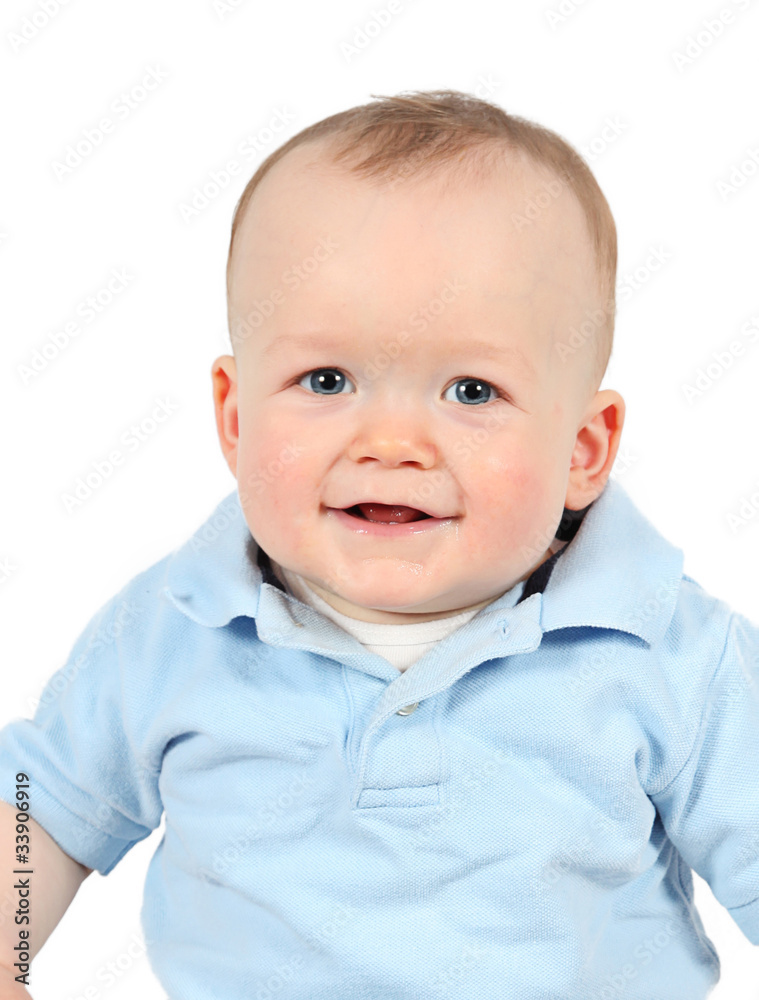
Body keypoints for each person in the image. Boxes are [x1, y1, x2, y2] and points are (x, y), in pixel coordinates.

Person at [1, 89, 757, 1000]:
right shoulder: (171, 631)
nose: (391, 441)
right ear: (235, 421)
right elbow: (37, 816)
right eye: (327, 379)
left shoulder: (673, 655)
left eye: (471, 391)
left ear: (581, 451)